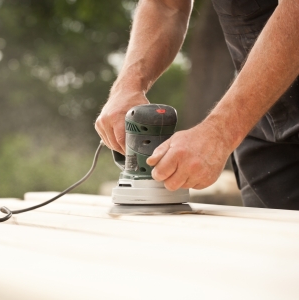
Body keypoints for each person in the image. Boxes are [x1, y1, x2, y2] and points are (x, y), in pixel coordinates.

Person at [95, 0, 299, 210]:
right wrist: (127, 86)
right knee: (268, 236)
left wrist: (221, 132)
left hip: (247, 111)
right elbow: (166, 5)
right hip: (261, 117)